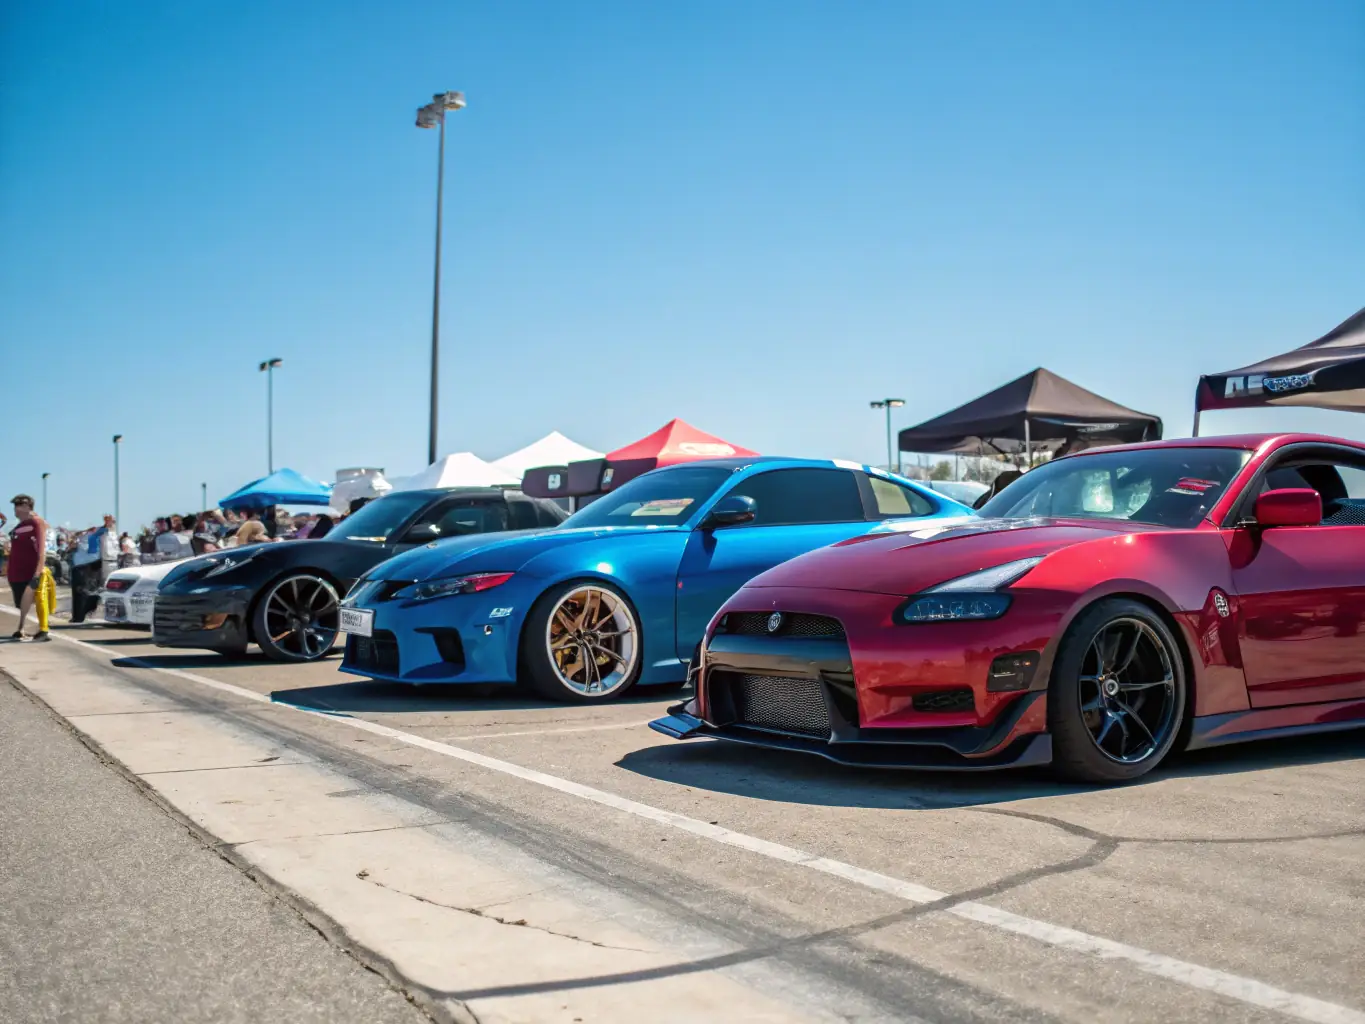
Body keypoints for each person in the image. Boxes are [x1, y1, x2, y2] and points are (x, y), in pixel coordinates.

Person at [6, 495, 50, 640]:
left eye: (18, 506)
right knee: (20, 602)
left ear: (27, 507)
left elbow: (41, 548)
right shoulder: (19, 526)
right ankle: (22, 628)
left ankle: (42, 629)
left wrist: (38, 571)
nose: (15, 510)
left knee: (37, 597)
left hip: (30, 570)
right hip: (15, 571)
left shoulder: (36, 522)